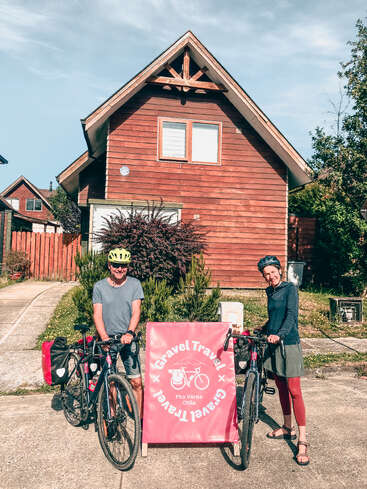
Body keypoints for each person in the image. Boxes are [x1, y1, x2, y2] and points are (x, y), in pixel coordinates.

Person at [257, 255, 309, 466]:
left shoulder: (290, 289)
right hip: (273, 344)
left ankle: (303, 440)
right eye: (266, 274)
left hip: (288, 344)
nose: (270, 276)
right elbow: (275, 316)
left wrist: (280, 334)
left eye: (272, 272)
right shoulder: (270, 291)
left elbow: (290, 316)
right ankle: (288, 427)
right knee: (280, 386)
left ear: (280, 270)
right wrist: (265, 328)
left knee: (294, 390)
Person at [92, 247, 144, 416]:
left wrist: (130, 332)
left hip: (128, 339)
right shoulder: (99, 287)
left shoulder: (135, 284)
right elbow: (97, 315)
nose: (119, 269)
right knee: (110, 382)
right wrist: (104, 337)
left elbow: (136, 310)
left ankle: (139, 420)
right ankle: (111, 416)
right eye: (115, 265)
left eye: (123, 265)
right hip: (108, 340)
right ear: (109, 265)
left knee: (136, 382)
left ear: (127, 266)